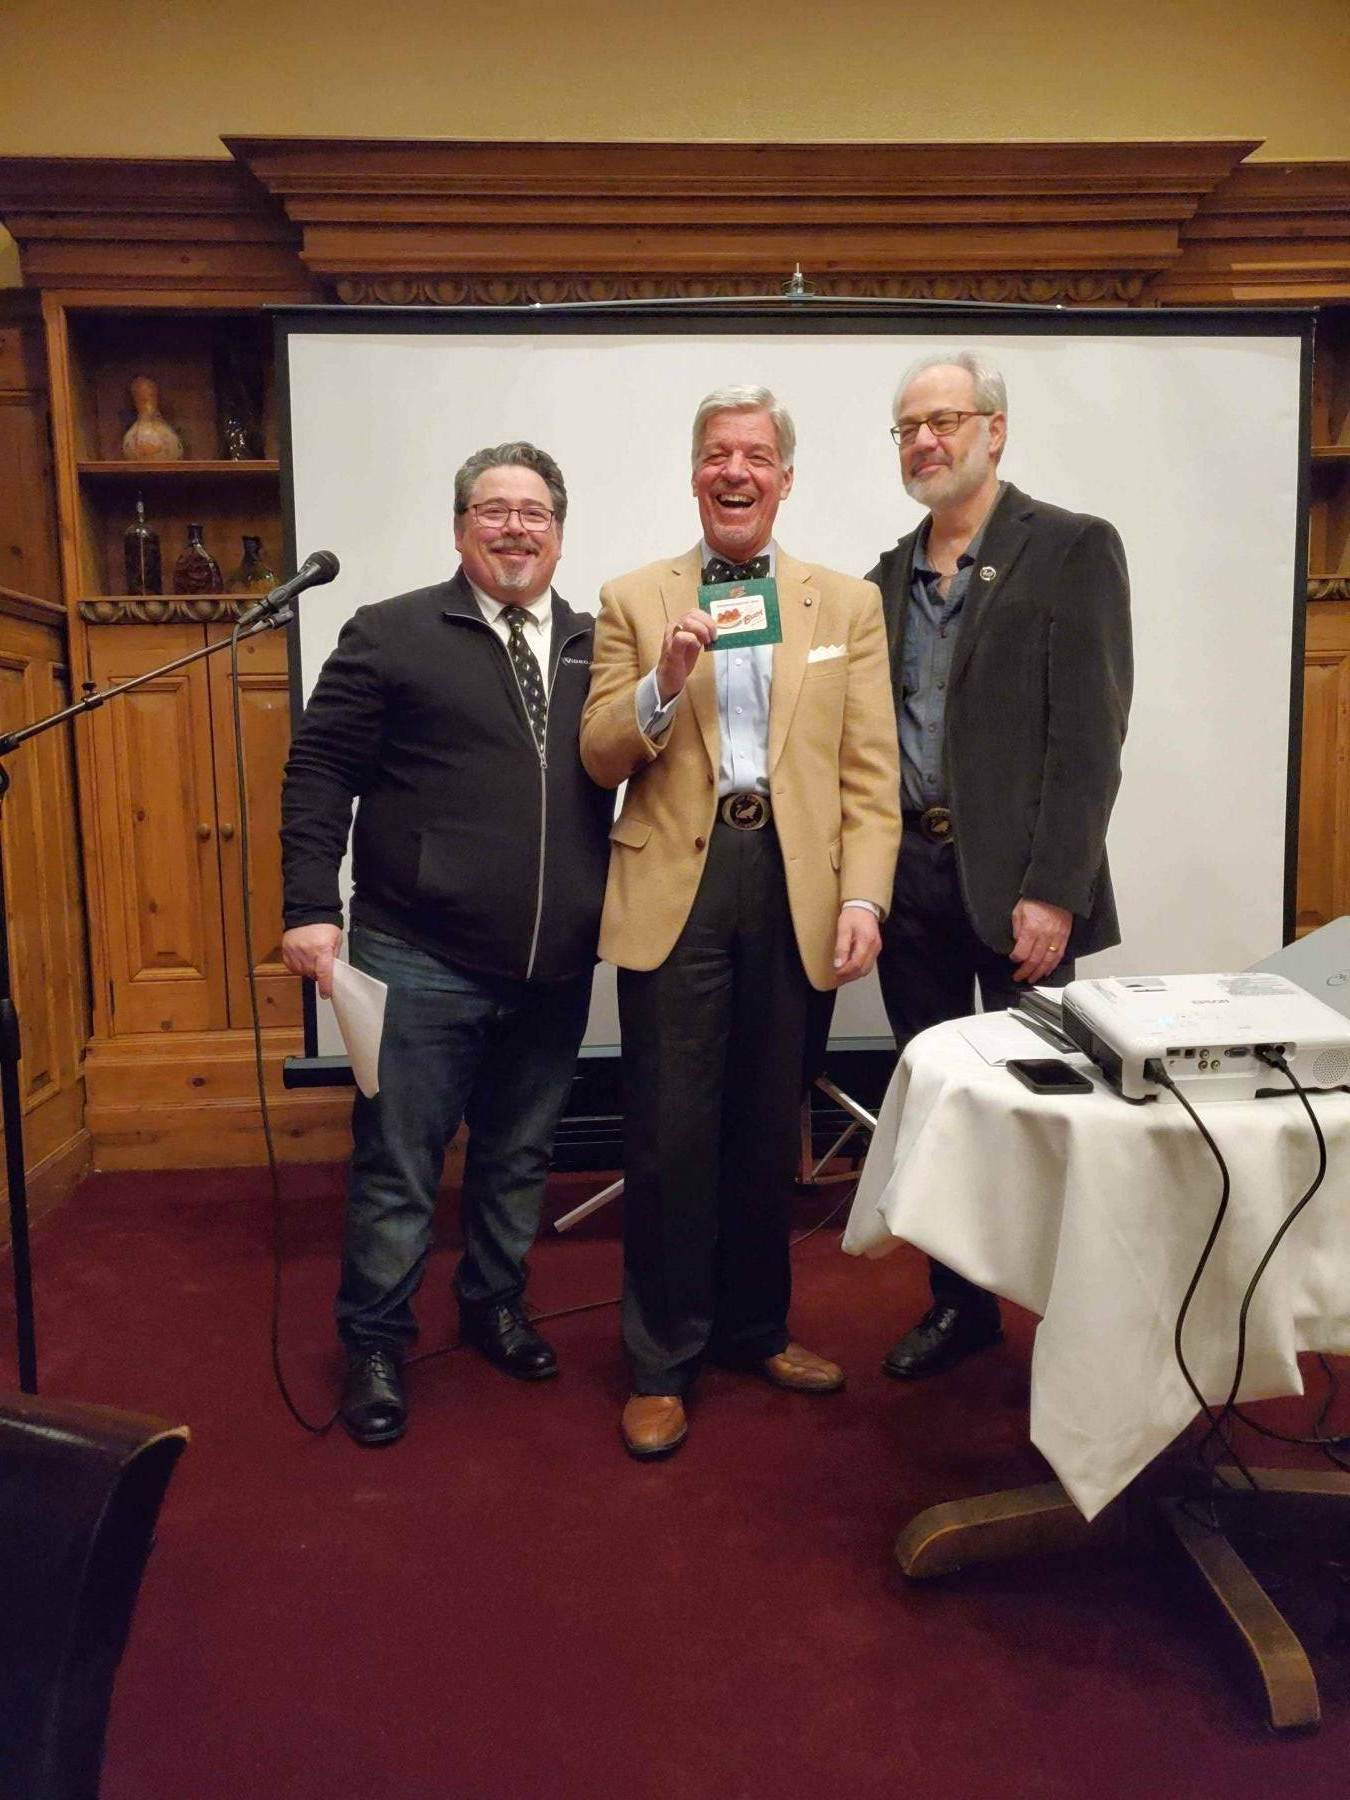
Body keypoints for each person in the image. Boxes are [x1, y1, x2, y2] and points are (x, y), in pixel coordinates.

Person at [581, 385, 900, 1458]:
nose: (736, 470)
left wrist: (864, 895)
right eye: (718, 453)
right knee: (671, 1132)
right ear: (694, 474)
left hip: (794, 881)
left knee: (771, 1127)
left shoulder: (845, 605)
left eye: (757, 455)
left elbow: (871, 773)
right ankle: (661, 1361)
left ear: (784, 478)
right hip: (681, 876)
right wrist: (663, 684)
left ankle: (756, 1328)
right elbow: (598, 755)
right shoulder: (633, 598)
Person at [280, 442, 613, 1446]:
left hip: (556, 965)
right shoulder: (389, 634)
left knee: (519, 1157)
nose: (515, 527)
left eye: (534, 512)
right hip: (416, 954)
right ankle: (376, 1342)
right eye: (492, 510)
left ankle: (494, 1306)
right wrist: (309, 903)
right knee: (399, 1167)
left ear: (560, 533)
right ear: (461, 527)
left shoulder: (601, 645)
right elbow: (319, 771)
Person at [872, 349, 1132, 1379]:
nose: (924, 442)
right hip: (911, 889)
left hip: (1023, 893)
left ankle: (1079, 1317)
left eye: (943, 420)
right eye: (908, 428)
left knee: (1050, 1114)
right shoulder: (884, 577)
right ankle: (961, 1306)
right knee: (943, 1112)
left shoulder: (1069, 548)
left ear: (995, 428)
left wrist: (1054, 892)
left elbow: (1090, 737)